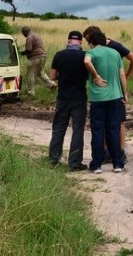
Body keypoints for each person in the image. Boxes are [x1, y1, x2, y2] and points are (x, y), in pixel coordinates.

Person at [83, 25, 133, 162]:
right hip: (113, 91)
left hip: (107, 91)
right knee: (114, 122)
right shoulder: (112, 48)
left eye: (88, 41)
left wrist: (127, 76)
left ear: (93, 38)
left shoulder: (111, 47)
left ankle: (116, 151)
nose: (88, 45)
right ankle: (112, 152)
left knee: (112, 122)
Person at [47, 30, 88, 171]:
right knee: (78, 130)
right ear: (81, 42)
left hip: (63, 97)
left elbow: (52, 76)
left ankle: (54, 158)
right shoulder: (85, 56)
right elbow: (89, 75)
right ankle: (75, 162)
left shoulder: (59, 55)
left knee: (58, 128)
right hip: (79, 98)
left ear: (68, 40)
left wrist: (62, 75)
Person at [20, 26, 57, 95]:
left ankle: (31, 91)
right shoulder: (36, 35)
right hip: (43, 56)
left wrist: (21, 53)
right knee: (40, 73)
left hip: (35, 58)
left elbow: (28, 49)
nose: (24, 35)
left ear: (25, 32)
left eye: (23, 34)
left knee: (30, 74)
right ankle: (52, 84)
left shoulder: (29, 37)